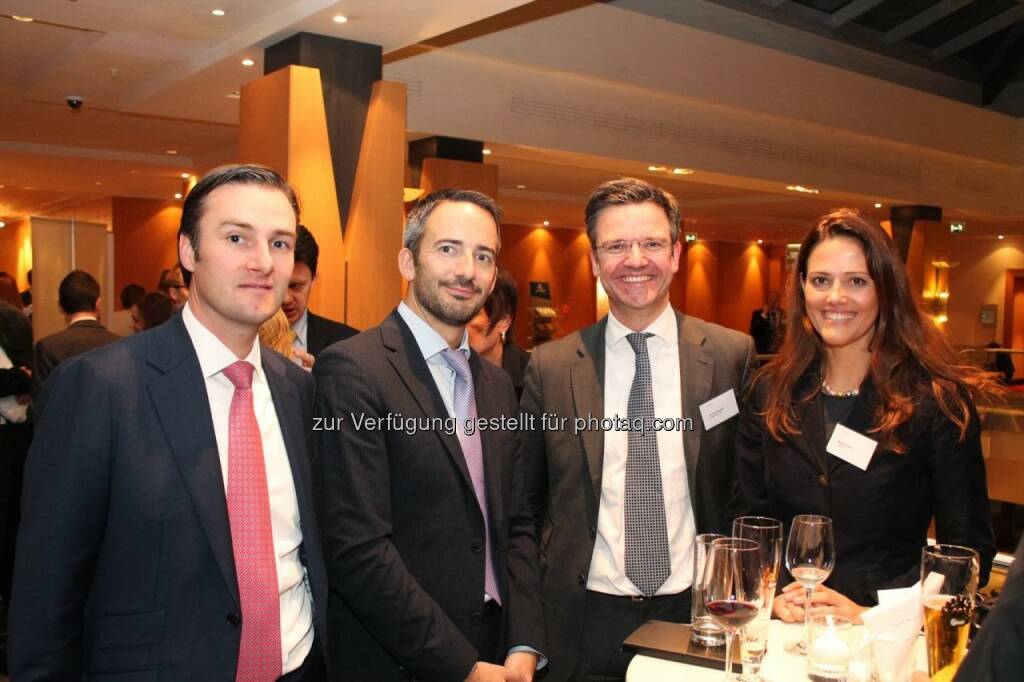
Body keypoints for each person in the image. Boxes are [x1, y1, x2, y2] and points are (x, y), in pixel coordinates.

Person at [9, 164, 328, 680]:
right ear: (188, 251)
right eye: (236, 237)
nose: (262, 261)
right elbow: (46, 593)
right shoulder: (101, 386)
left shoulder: (298, 390)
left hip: (298, 666)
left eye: (279, 243)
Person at [520, 177, 756, 681]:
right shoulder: (551, 367)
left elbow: (747, 488)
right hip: (581, 619)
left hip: (695, 613)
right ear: (593, 260)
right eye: (616, 246)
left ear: (675, 253)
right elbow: (527, 502)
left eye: (651, 243)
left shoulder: (730, 357)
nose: (635, 260)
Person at [314, 188, 545, 682]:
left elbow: (517, 524)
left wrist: (525, 642)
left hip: (498, 651)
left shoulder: (497, 386)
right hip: (403, 659)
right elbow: (358, 549)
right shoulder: (354, 371)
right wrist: (463, 667)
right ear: (408, 261)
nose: (467, 270)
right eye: (448, 249)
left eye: (483, 256)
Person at [731, 209, 998, 624]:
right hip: (784, 630)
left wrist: (872, 615)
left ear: (885, 289)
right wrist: (769, 597)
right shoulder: (770, 391)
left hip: (887, 637)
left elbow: (967, 552)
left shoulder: (937, 402)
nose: (835, 297)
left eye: (856, 281)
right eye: (821, 280)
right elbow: (747, 521)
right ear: (802, 288)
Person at [31, 269, 120, 399]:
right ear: (98, 303)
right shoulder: (120, 344)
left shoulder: (47, 347)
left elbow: (40, 404)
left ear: (60, 306)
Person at [282, 225, 357, 362]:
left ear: (313, 280)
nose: (286, 299)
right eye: (280, 285)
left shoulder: (349, 343)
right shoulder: (244, 339)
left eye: (296, 286)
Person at [467, 267, 530, 399]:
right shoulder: (447, 371)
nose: (460, 322)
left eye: (472, 313)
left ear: (504, 322)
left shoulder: (533, 374)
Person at [749, 289, 783, 355]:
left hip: (779, 351)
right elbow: (753, 331)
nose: (773, 303)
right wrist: (764, 315)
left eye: (776, 300)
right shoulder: (758, 314)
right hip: (764, 352)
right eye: (771, 300)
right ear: (767, 301)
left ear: (779, 301)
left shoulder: (783, 314)